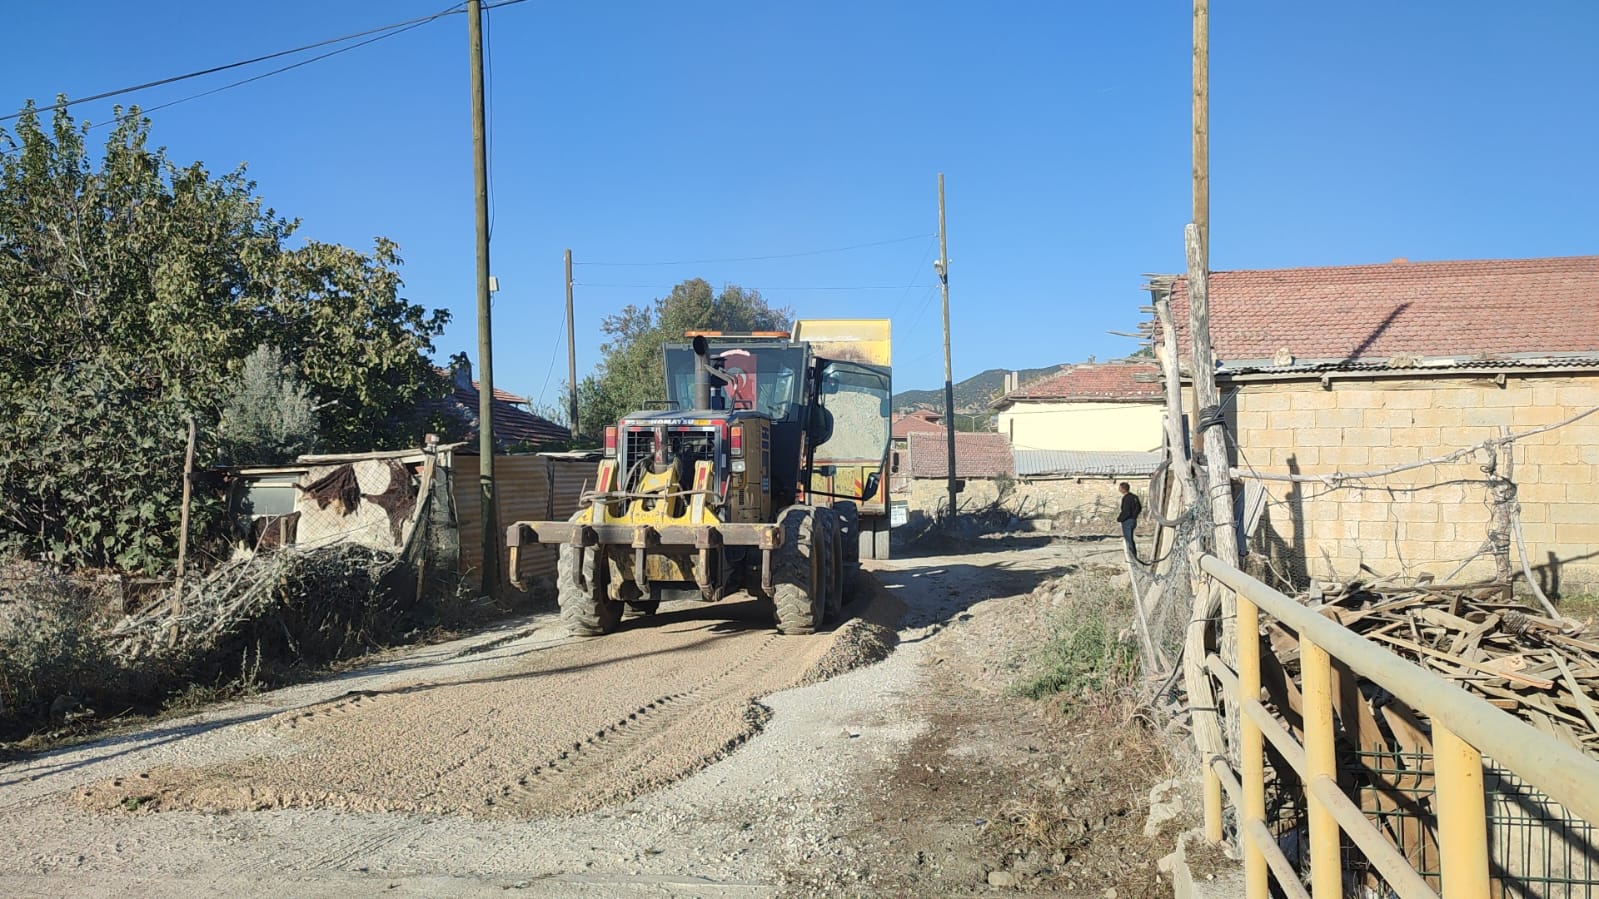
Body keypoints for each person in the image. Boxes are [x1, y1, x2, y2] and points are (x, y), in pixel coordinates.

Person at [1116, 481, 1142, 563]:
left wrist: (1120, 518)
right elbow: (1139, 508)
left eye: (1120, 488)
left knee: (1128, 539)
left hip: (1127, 521)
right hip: (1133, 520)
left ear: (1123, 489)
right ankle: (1133, 555)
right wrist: (1135, 516)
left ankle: (1132, 557)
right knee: (1130, 539)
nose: (1119, 489)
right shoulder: (1135, 497)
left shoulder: (1127, 498)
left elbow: (1126, 511)